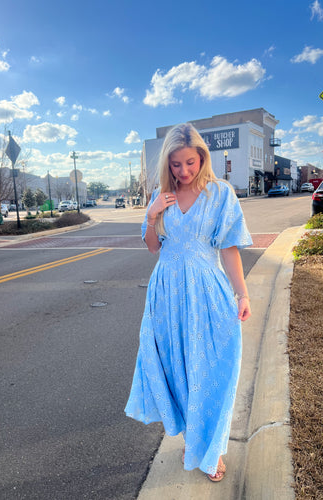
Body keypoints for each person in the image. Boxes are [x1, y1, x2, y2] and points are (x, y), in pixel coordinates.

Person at [125, 123, 252, 482]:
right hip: (165, 295)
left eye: (191, 163)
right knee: (176, 370)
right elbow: (153, 247)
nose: (184, 171)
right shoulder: (159, 195)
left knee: (211, 368)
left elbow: (228, 248)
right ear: (167, 163)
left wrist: (241, 293)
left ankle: (211, 450)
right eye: (176, 164)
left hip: (207, 292)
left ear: (202, 158)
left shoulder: (220, 194)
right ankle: (194, 438)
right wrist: (151, 215)